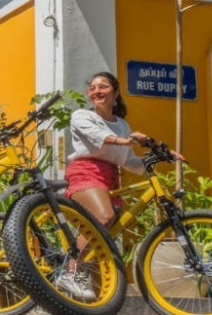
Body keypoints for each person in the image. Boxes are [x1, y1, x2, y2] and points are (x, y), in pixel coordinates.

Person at [62, 72, 183, 300]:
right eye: (93, 87)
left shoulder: (122, 125)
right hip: (86, 173)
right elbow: (100, 136)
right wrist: (128, 140)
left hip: (111, 178)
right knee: (105, 217)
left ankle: (99, 303)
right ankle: (69, 271)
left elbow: (127, 161)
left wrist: (159, 156)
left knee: (104, 243)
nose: (96, 91)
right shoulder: (81, 116)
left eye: (103, 87)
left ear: (116, 93)